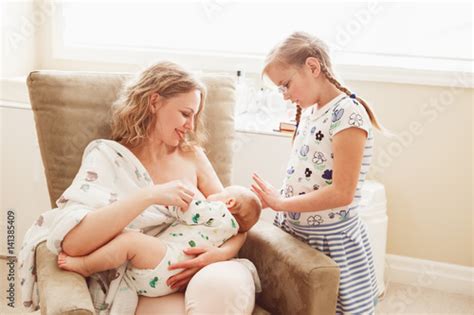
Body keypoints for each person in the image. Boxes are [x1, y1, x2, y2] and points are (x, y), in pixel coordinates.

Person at [19, 61, 259, 315]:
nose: (191, 125)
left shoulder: (193, 156)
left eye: (194, 116)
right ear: (154, 102)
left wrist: (217, 256)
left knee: (222, 288)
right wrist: (149, 196)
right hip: (154, 277)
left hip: (210, 269)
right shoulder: (108, 158)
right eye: (185, 113)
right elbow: (74, 245)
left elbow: (234, 221)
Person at [251, 32, 383, 314]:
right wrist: (277, 200)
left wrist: (281, 203)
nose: (285, 95)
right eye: (279, 89)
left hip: (329, 240)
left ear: (313, 67)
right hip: (297, 232)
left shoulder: (348, 114)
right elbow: (308, 175)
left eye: (286, 85)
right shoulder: (311, 112)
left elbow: (341, 193)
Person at [56, 185, 261, 298]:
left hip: (169, 258)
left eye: (221, 193)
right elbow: (240, 234)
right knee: (128, 241)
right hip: (170, 280)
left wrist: (174, 197)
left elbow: (187, 207)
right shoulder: (229, 231)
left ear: (229, 203)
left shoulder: (218, 212)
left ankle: (85, 266)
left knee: (129, 241)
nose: (212, 195)